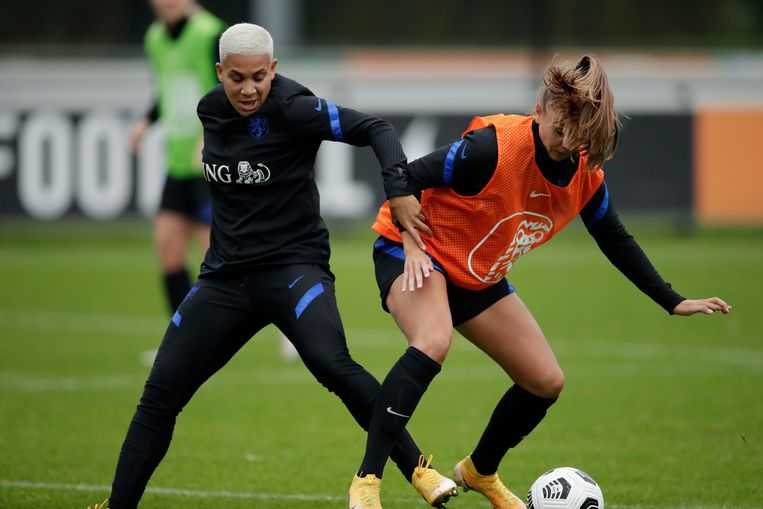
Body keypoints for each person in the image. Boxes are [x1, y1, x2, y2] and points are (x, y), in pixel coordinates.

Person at [89, 23, 458, 509]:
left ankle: (418, 471)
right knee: (159, 394)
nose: (249, 89)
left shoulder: (295, 108)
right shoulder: (209, 110)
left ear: (274, 69)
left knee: (333, 365)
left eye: (259, 77)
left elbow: (377, 129)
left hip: (293, 270)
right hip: (225, 279)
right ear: (220, 73)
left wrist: (398, 187)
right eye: (237, 77)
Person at [351, 55, 732, 509]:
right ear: (541, 108)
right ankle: (367, 482)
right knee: (433, 340)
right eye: (558, 132)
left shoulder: (585, 174)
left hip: (477, 273)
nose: (565, 145)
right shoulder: (491, 149)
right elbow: (406, 177)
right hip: (414, 250)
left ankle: (480, 471)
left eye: (578, 140)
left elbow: (615, 239)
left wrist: (672, 300)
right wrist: (413, 245)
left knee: (545, 380)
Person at [129, 0, 224, 315]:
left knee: (215, 256)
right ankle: (180, 339)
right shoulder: (154, 38)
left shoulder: (211, 33)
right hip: (179, 162)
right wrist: (146, 122)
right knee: (168, 248)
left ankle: (283, 312)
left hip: (211, 164)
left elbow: (233, 90)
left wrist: (209, 135)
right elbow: (167, 88)